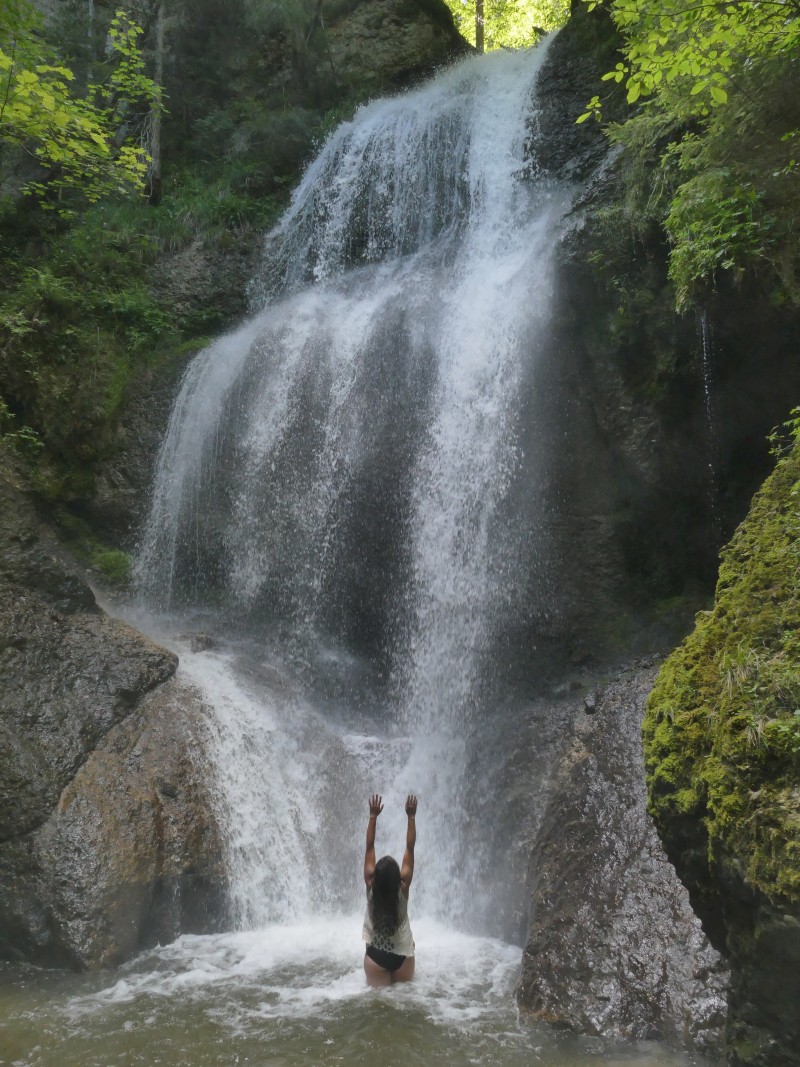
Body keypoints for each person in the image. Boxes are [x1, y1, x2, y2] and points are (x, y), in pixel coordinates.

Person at [362, 792, 417, 986]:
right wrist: (411, 817)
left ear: (375, 877)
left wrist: (373, 817)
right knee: (402, 1000)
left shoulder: (370, 885)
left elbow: (369, 847)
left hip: (375, 957)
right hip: (403, 956)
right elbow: (410, 848)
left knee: (380, 1005)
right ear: (398, 878)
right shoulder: (403, 888)